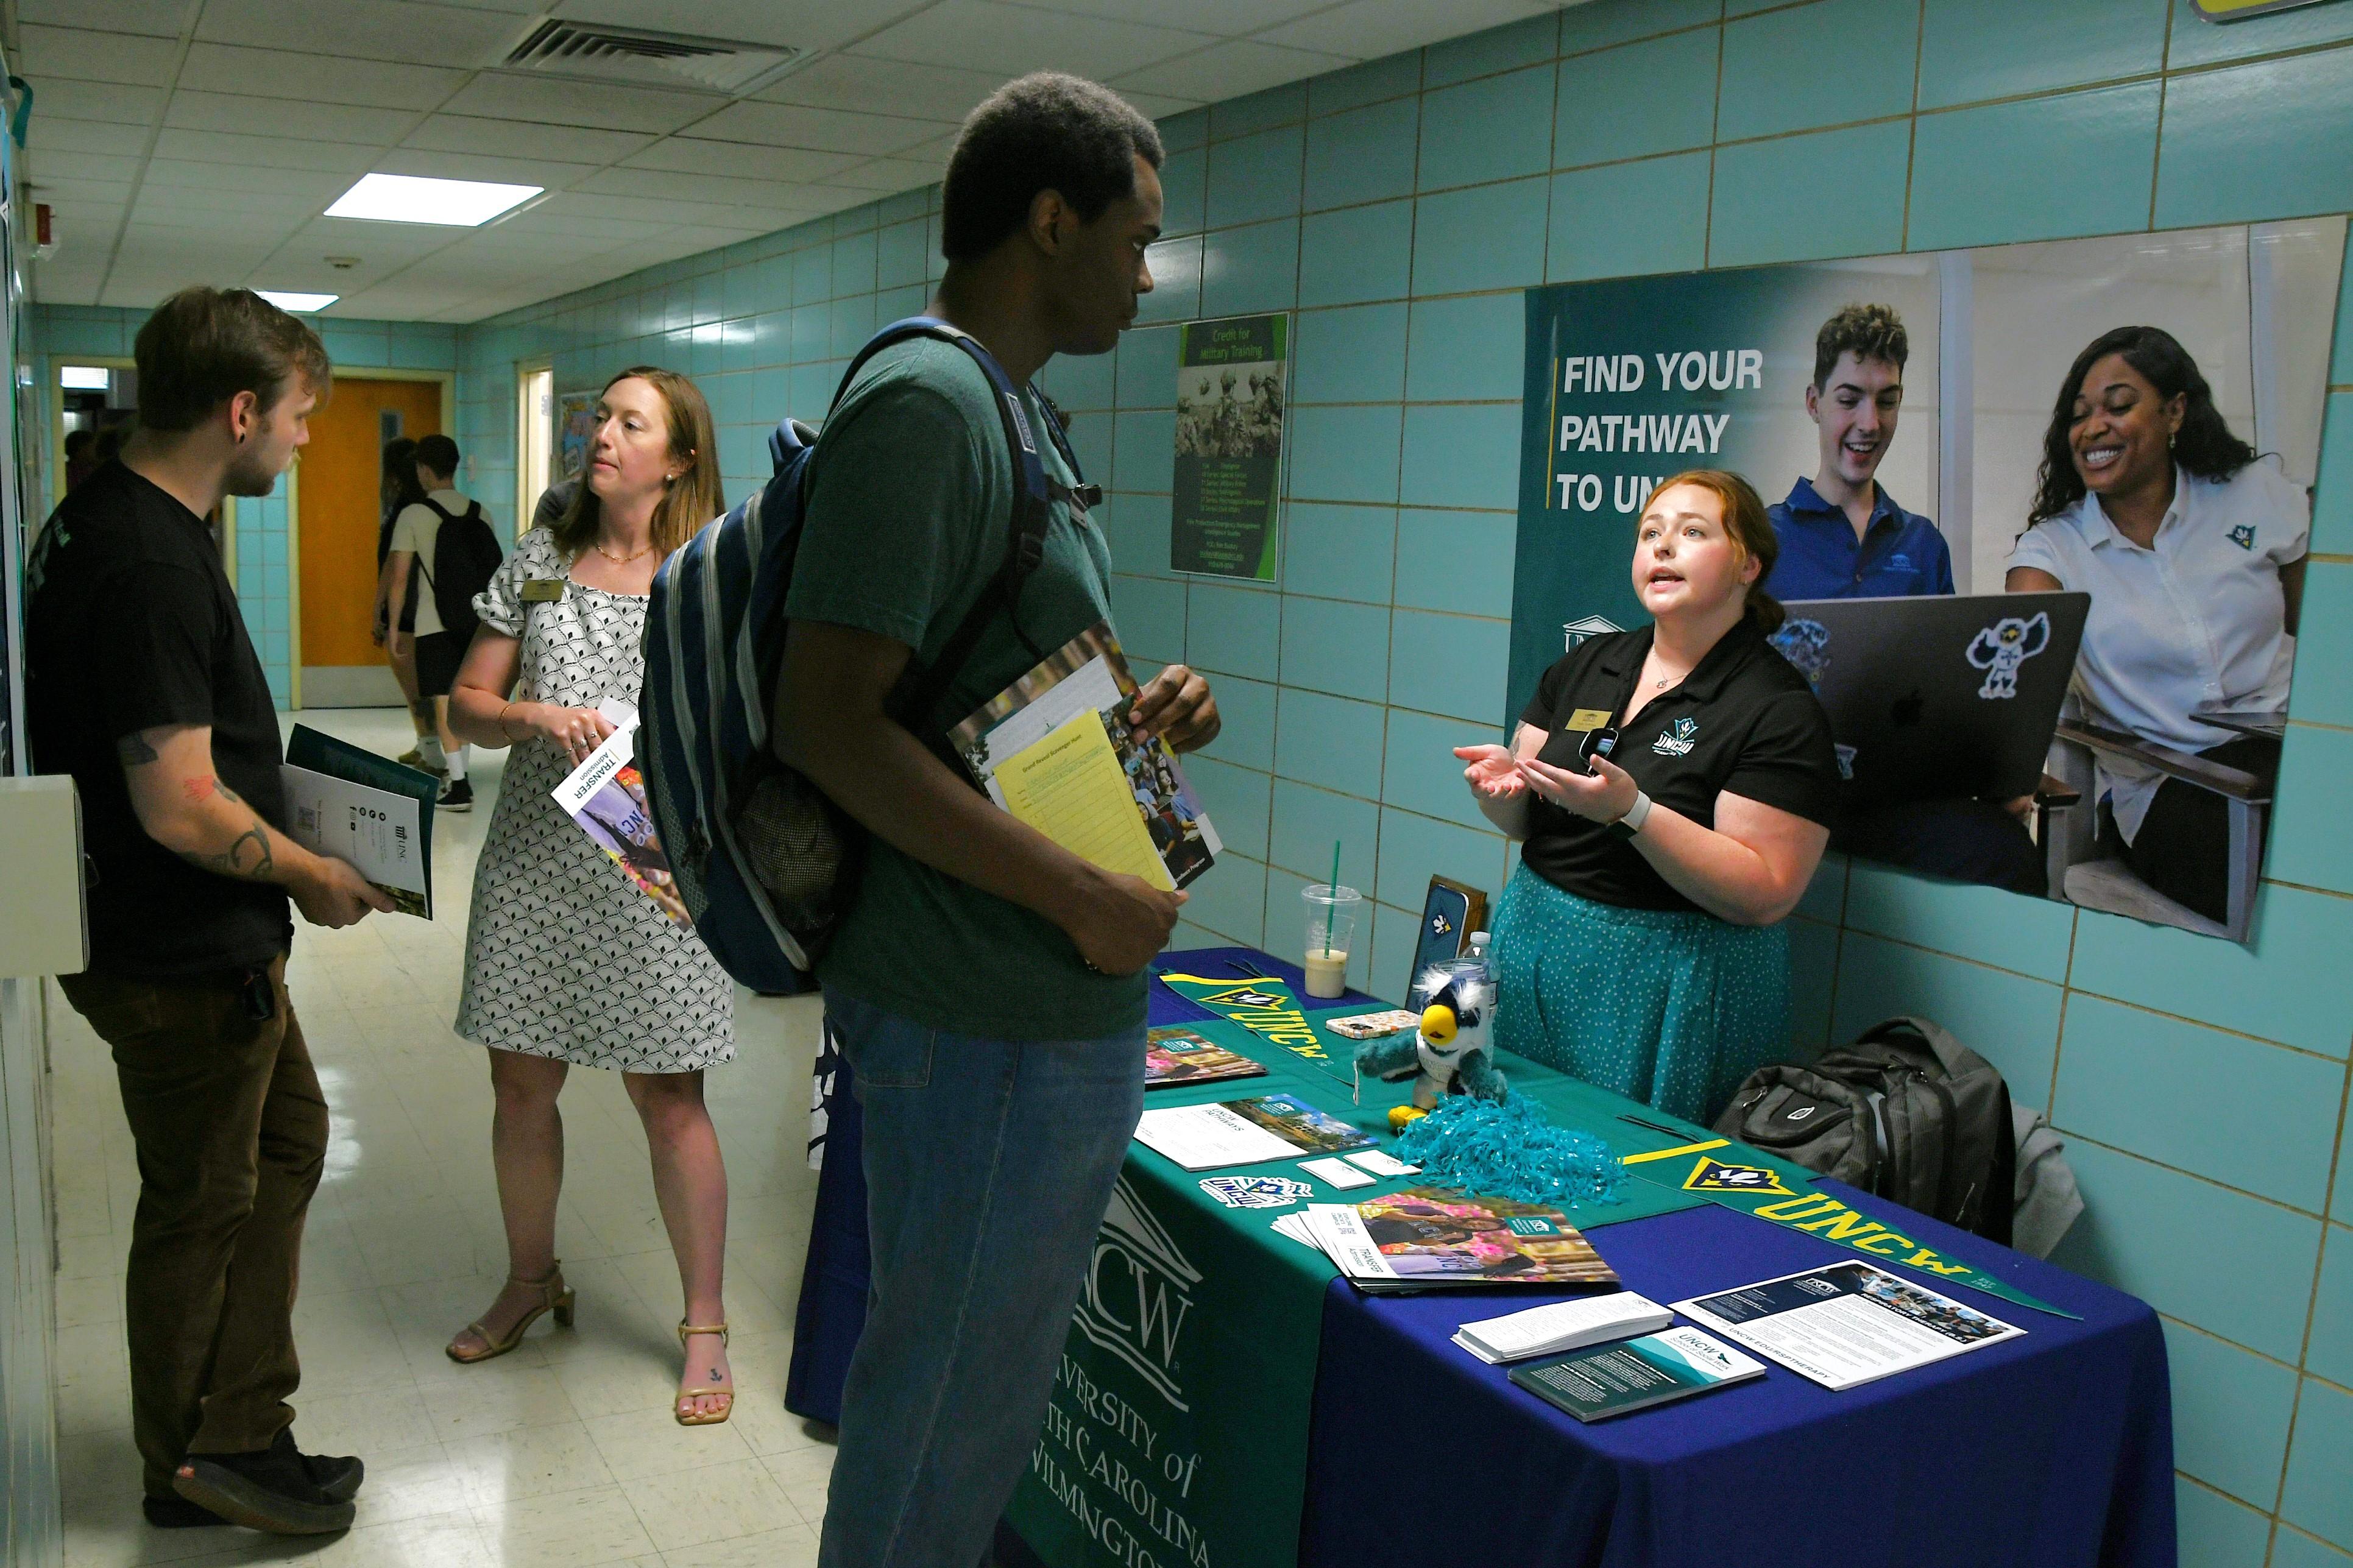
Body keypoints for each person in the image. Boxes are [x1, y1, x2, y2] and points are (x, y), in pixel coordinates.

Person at [771, 72, 1218, 1567]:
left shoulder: (1006, 408)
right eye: (1136, 238)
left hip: (1026, 1007)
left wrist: (1141, 721)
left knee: (984, 1390)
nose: (1148, 275)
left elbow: (962, 688)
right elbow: (826, 717)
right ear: (1048, 220)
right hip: (981, 1014)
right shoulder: (930, 402)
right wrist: (1080, 896)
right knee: (947, 1395)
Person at [24, 286, 393, 1534]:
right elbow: (178, 804)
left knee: (283, 1149)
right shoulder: (143, 562)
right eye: (296, 419)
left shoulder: (113, 522)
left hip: (189, 947)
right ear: (240, 411)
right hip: (177, 956)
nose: (301, 441)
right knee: (200, 1199)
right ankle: (196, 1458)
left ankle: (236, 1428)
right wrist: (312, 870)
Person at [441, 367, 743, 1427]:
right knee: (521, 1089)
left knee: (671, 1099)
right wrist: (531, 716)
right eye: (598, 418)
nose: (602, 435)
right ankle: (532, 1279)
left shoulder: (710, 575)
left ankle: (703, 1319)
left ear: (681, 456)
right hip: (535, 862)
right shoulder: (539, 559)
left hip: (658, 870)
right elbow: (465, 708)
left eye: (629, 423)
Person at [1455, 470, 1839, 1122]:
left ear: (1749, 565)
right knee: (1502, 1148)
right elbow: (1528, 819)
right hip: (1536, 944)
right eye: (1650, 534)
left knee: (1619, 1172)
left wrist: (1632, 814)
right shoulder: (1588, 664)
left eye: (1692, 533)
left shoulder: (1776, 708)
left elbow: (1766, 890)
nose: (1662, 548)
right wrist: (1499, 790)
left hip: (1668, 978)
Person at [2004, 325, 2306, 925]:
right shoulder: (2053, 551)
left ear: (2174, 412)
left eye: (2118, 406)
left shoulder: (2253, 495)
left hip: (2293, 754)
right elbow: (2020, 681)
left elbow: (2329, 637)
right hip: (2174, 788)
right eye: (2079, 414)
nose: (2093, 427)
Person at [1763, 303, 1953, 599]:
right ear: (1814, 403)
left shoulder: (1924, 544)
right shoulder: (1761, 539)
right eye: (1849, 401)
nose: (1870, 424)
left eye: (1887, 402)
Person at [381, 434, 481, 811]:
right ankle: (461, 775)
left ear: (424, 470)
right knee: (463, 696)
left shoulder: (413, 514)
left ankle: (459, 785)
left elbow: (400, 577)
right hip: (474, 620)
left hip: (432, 622)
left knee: (442, 699)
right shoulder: (478, 511)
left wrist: (393, 627)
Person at [370, 436, 434, 772]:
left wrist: (380, 610)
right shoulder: (427, 506)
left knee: (416, 690)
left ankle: (431, 751)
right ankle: (427, 746)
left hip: (407, 610)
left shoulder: (405, 511)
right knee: (426, 688)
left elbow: (394, 567)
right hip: (428, 608)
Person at [63, 426, 97, 490]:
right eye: (92, 446)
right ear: (82, 449)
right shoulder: (87, 472)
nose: (96, 450)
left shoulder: (65, 469)